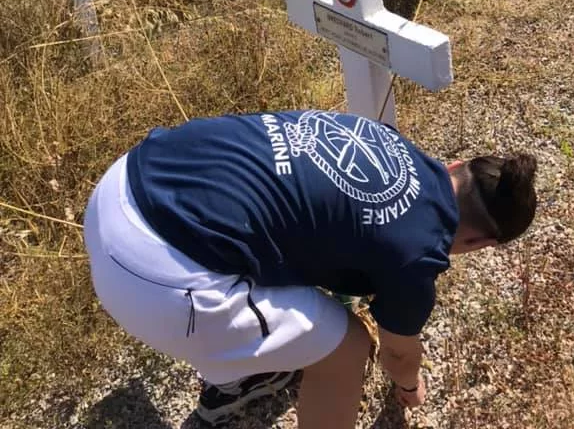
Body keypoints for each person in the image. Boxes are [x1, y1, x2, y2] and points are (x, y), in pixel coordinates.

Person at [84, 110, 537, 428]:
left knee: (284, 246)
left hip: (123, 184)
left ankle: (249, 368)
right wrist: (409, 386)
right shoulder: (418, 255)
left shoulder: (381, 136)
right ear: (481, 243)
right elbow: (399, 354)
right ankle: (236, 374)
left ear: (454, 166)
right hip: (152, 275)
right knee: (348, 347)